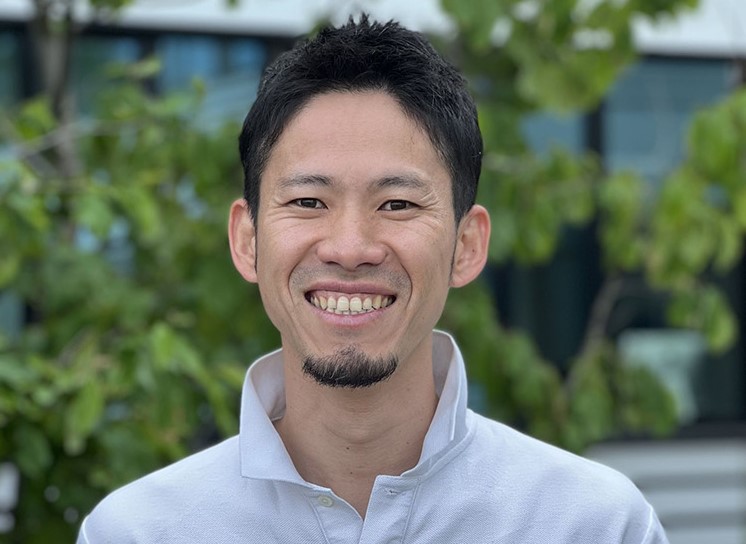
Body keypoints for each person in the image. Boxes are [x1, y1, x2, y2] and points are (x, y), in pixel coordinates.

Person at [77, 15, 668, 544]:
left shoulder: (593, 525)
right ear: (246, 240)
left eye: (397, 204)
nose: (350, 248)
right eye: (308, 201)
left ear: (467, 245)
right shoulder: (137, 532)